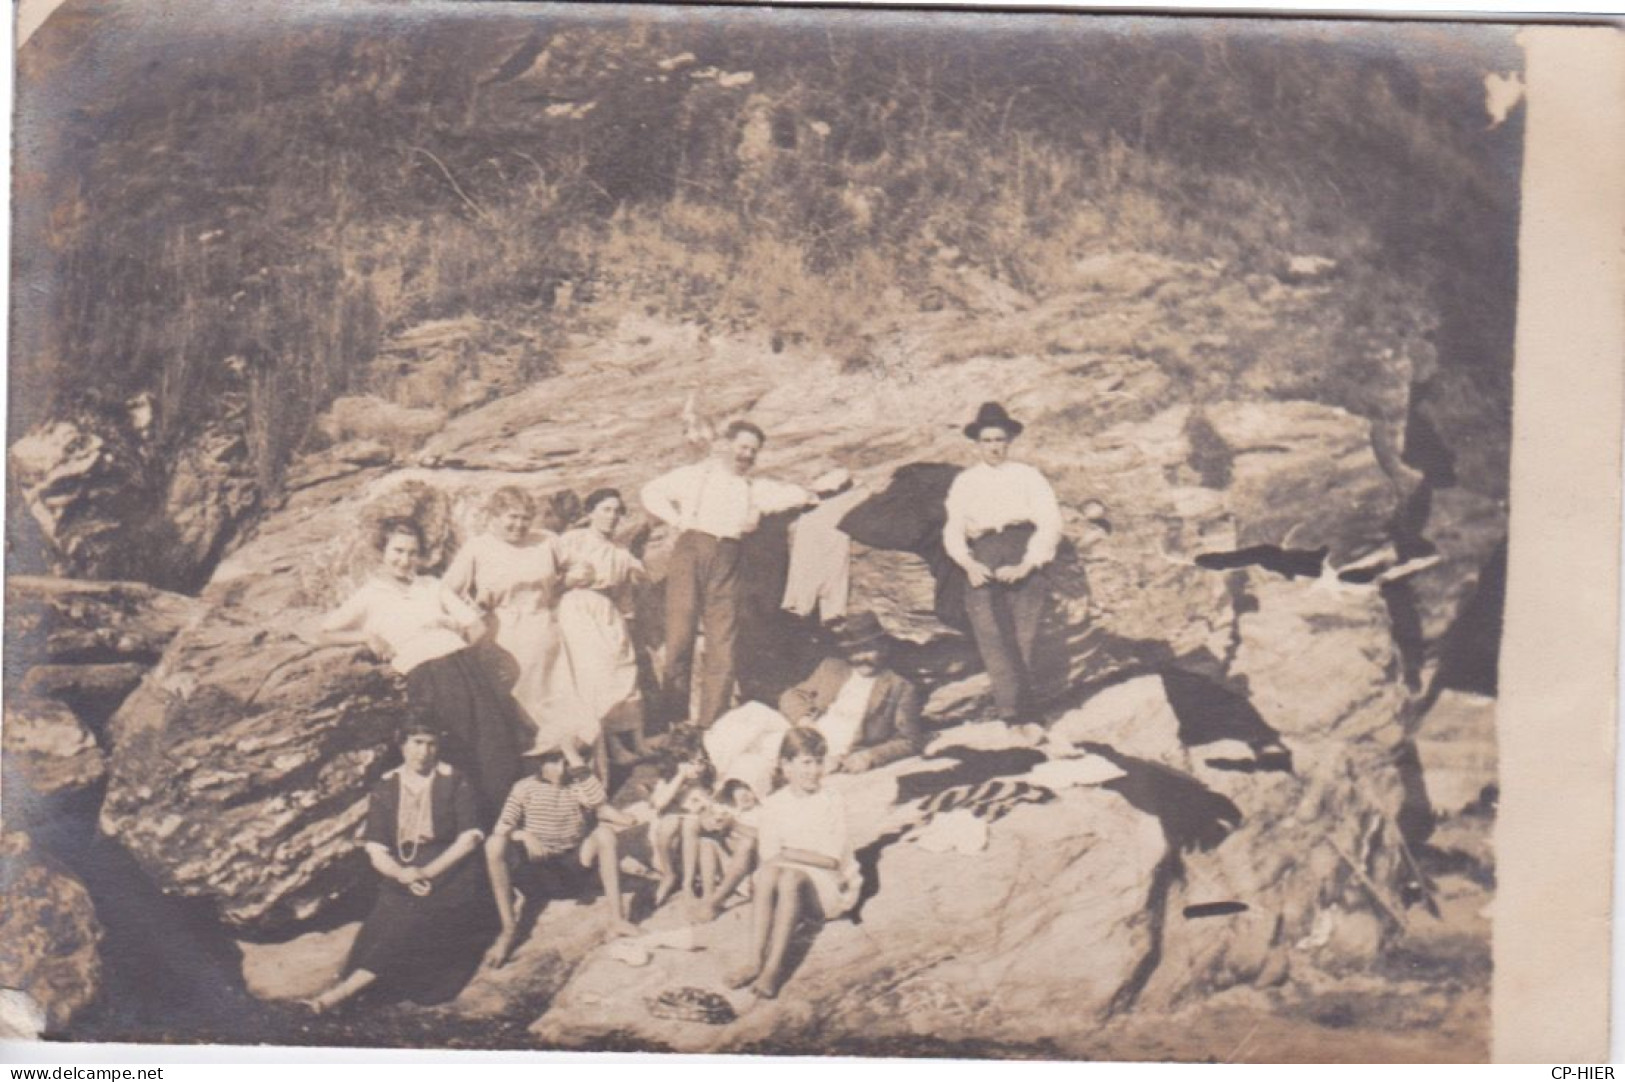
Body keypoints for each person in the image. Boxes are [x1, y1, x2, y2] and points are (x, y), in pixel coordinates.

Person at [315, 516, 525, 814]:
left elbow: (475, 626)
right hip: (425, 677)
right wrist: (367, 636)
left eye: (412, 553)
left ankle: (505, 834)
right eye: (397, 551)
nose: (405, 560)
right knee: (452, 756)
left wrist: (452, 628)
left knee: (496, 750)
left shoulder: (431, 585)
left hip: (464, 667)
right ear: (382, 552)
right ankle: (468, 836)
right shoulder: (370, 595)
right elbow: (323, 633)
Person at [302, 720, 494, 1013]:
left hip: (452, 870)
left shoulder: (454, 779)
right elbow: (376, 847)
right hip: (403, 868)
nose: (424, 751)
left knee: (416, 916)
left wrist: (428, 873)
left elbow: (469, 838)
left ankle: (336, 997)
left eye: (431, 744)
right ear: (402, 745)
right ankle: (357, 990)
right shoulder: (387, 785)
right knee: (382, 924)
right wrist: (401, 873)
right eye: (417, 742)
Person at [641, 420, 817, 728]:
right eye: (742, 447)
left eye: (753, 451)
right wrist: (678, 520)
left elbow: (795, 494)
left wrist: (766, 509)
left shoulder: (754, 487)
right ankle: (675, 722)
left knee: (722, 644)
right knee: (679, 637)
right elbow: (650, 492)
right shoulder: (697, 475)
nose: (747, 455)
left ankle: (712, 724)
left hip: (729, 556)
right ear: (727, 446)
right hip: (692, 548)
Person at [943, 402, 1063, 724]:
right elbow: (953, 527)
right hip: (983, 553)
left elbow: (1050, 522)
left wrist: (1028, 564)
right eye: (987, 441)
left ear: (1009, 441)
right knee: (991, 634)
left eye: (999, 440)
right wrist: (968, 563)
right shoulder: (965, 481)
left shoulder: (1028, 476)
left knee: (1027, 634)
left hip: (1022, 547)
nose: (994, 447)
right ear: (977, 444)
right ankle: (1010, 714)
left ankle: (1031, 713)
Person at [443, 487, 581, 753]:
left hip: (545, 631)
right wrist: (471, 615)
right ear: (494, 516)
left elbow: (580, 567)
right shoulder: (478, 547)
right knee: (516, 706)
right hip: (503, 637)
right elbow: (447, 590)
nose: (519, 525)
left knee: (557, 702)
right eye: (512, 517)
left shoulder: (545, 540)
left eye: (525, 518)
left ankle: (567, 770)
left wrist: (563, 588)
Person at [483, 734, 638, 968]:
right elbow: (501, 828)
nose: (560, 768)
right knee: (494, 844)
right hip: (536, 870)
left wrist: (574, 757)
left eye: (565, 761)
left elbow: (599, 802)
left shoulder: (578, 787)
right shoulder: (524, 787)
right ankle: (509, 929)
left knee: (605, 834)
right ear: (540, 763)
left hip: (572, 869)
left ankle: (617, 919)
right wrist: (523, 834)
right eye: (553, 761)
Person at [726, 728, 859, 1000]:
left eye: (819, 762)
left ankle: (773, 969)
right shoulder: (775, 804)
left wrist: (788, 852)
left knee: (788, 877)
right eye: (806, 762)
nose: (814, 770)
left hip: (829, 887)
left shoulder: (832, 801)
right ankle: (754, 960)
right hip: (790, 873)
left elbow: (830, 859)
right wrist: (791, 855)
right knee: (766, 875)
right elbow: (768, 856)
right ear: (786, 766)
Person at [554, 488, 650, 768]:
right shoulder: (573, 540)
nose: (612, 516)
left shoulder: (620, 553)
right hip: (577, 608)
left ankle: (638, 741)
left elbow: (626, 593)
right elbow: (552, 578)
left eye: (617, 511)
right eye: (605, 509)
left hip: (609, 611)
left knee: (625, 669)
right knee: (596, 674)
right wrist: (569, 579)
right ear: (591, 512)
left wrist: (625, 618)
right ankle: (613, 747)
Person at [777, 611, 925, 773]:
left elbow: (909, 740)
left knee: (758, 762)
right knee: (753, 712)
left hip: (830, 752)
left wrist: (868, 756)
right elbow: (791, 695)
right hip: (802, 734)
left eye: (868, 649)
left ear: (884, 648)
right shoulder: (833, 667)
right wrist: (804, 719)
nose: (861, 657)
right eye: (854, 651)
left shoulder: (900, 687)